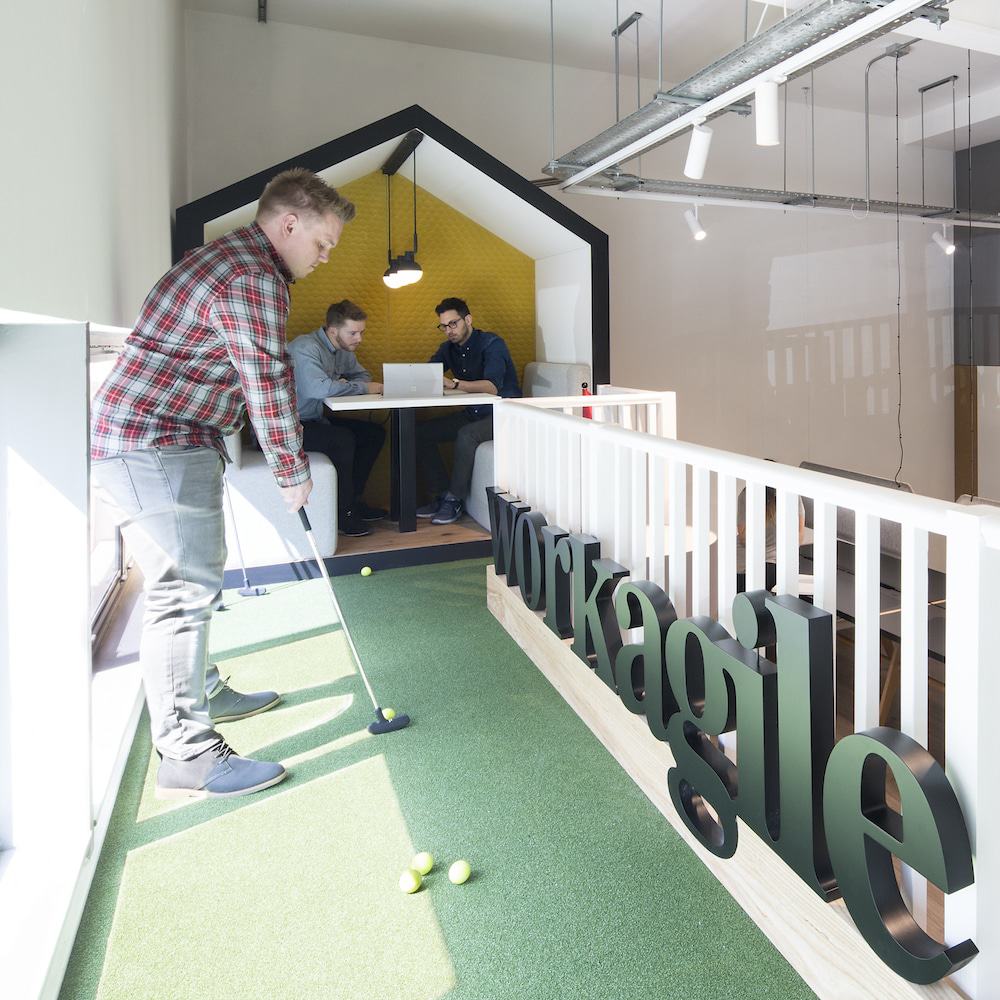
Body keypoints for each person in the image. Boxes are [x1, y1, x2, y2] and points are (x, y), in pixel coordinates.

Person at [90, 168, 355, 799]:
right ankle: (188, 754)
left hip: (158, 439)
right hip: (155, 443)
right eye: (322, 243)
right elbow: (265, 379)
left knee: (193, 576)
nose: (323, 258)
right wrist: (291, 473)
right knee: (185, 588)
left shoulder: (229, 258)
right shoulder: (254, 278)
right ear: (289, 224)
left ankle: (201, 688)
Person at [415, 297, 520, 524]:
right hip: (475, 413)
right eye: (443, 326)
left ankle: (455, 499)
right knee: (420, 433)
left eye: (453, 323)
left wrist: (454, 384)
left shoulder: (492, 344)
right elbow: (427, 374)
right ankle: (442, 493)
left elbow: (492, 388)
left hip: (506, 414)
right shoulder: (448, 349)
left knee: (467, 434)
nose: (448, 331)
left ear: (468, 320)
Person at [288, 300, 387, 537]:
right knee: (341, 439)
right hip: (288, 428)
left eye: (361, 332)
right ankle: (343, 513)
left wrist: (343, 384)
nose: (359, 339)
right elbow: (317, 389)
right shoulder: (306, 347)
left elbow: (363, 375)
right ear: (333, 330)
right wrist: (357, 388)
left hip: (315, 420)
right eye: (353, 333)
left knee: (373, 434)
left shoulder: (341, 351)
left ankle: (353, 501)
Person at [735, 485, 806, 593]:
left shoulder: (791, 494)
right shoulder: (747, 494)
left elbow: (799, 536)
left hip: (771, 560)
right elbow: (744, 538)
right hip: (745, 561)